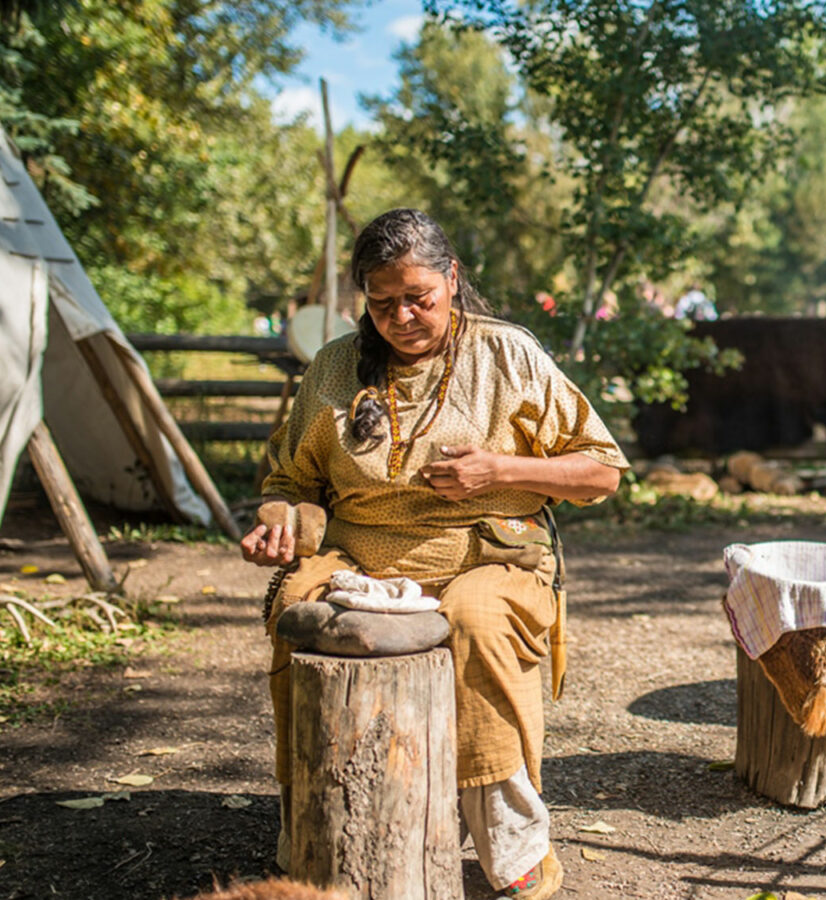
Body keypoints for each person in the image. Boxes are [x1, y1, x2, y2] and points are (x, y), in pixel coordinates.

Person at [241, 208, 628, 899]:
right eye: (383, 303)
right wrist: (281, 525)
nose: (403, 317)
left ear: (452, 279)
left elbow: (602, 471)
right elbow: (292, 487)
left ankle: (511, 841)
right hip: (363, 564)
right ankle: (312, 821)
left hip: (491, 561)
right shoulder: (333, 368)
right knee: (299, 607)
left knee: (473, 619)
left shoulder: (506, 355)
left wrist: (501, 472)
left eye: (420, 297)